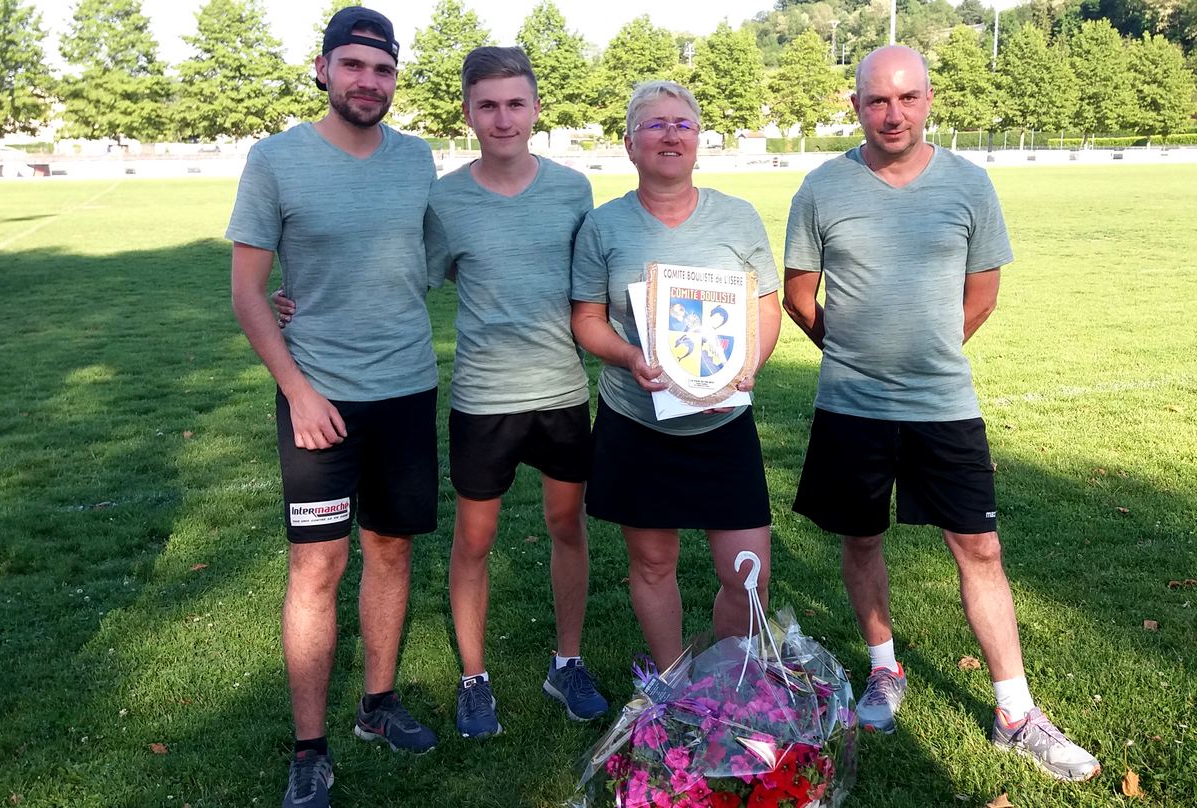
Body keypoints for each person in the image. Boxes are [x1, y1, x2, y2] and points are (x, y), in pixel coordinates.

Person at [782, 45, 1100, 781]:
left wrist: (925, 352)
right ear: (855, 105)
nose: (892, 114)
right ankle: (884, 670)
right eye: (876, 100)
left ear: (928, 100)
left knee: (979, 551)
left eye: (907, 98)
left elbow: (982, 296)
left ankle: (1015, 710)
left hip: (943, 407)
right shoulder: (822, 188)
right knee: (861, 541)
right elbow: (801, 295)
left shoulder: (968, 184)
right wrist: (855, 351)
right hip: (851, 406)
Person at [227, 9, 441, 808]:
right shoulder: (275, 159)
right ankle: (309, 749)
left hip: (408, 390)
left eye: (382, 70)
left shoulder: (418, 160)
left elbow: (444, 254)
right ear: (322, 69)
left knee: (391, 551)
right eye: (352, 66)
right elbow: (248, 292)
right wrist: (299, 390)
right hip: (317, 398)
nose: (368, 82)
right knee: (318, 565)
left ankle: (378, 707)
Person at [426, 47, 608, 738]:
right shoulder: (443, 198)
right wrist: (310, 300)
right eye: (488, 105)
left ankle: (567, 662)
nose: (503, 118)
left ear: (535, 109)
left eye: (515, 104)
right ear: (469, 113)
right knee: (475, 538)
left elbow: (597, 283)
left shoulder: (571, 190)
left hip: (561, 392)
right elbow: (408, 278)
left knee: (568, 525)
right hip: (482, 398)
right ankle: (474, 679)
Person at [570, 80, 783, 670]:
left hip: (722, 422)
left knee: (748, 576)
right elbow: (586, 319)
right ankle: (673, 683)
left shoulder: (737, 218)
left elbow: (766, 306)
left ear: (698, 141)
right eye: (654, 125)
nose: (670, 134)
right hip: (637, 423)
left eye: (682, 124)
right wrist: (628, 357)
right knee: (654, 564)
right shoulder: (603, 227)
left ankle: (728, 679)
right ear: (630, 144)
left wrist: (747, 364)